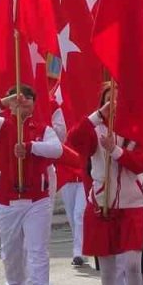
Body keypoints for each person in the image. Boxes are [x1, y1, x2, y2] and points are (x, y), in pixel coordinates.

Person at [67, 84, 143, 285]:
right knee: (108, 270)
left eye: (118, 99)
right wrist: (97, 115)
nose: (113, 104)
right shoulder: (95, 128)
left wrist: (115, 150)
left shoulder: (140, 129)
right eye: (108, 100)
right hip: (102, 205)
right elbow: (74, 140)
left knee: (134, 265)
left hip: (132, 205)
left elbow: (140, 163)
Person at [0, 86, 63, 285]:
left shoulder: (42, 129)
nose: (24, 101)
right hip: (7, 200)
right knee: (11, 250)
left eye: (28, 97)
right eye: (18, 98)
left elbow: (56, 150)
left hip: (37, 199)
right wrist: (3, 101)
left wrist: (30, 148)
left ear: (35, 103)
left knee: (38, 247)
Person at [51, 95, 87, 267]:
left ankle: (78, 251)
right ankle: (78, 245)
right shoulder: (58, 106)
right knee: (72, 214)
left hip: (85, 171)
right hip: (67, 170)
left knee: (80, 213)